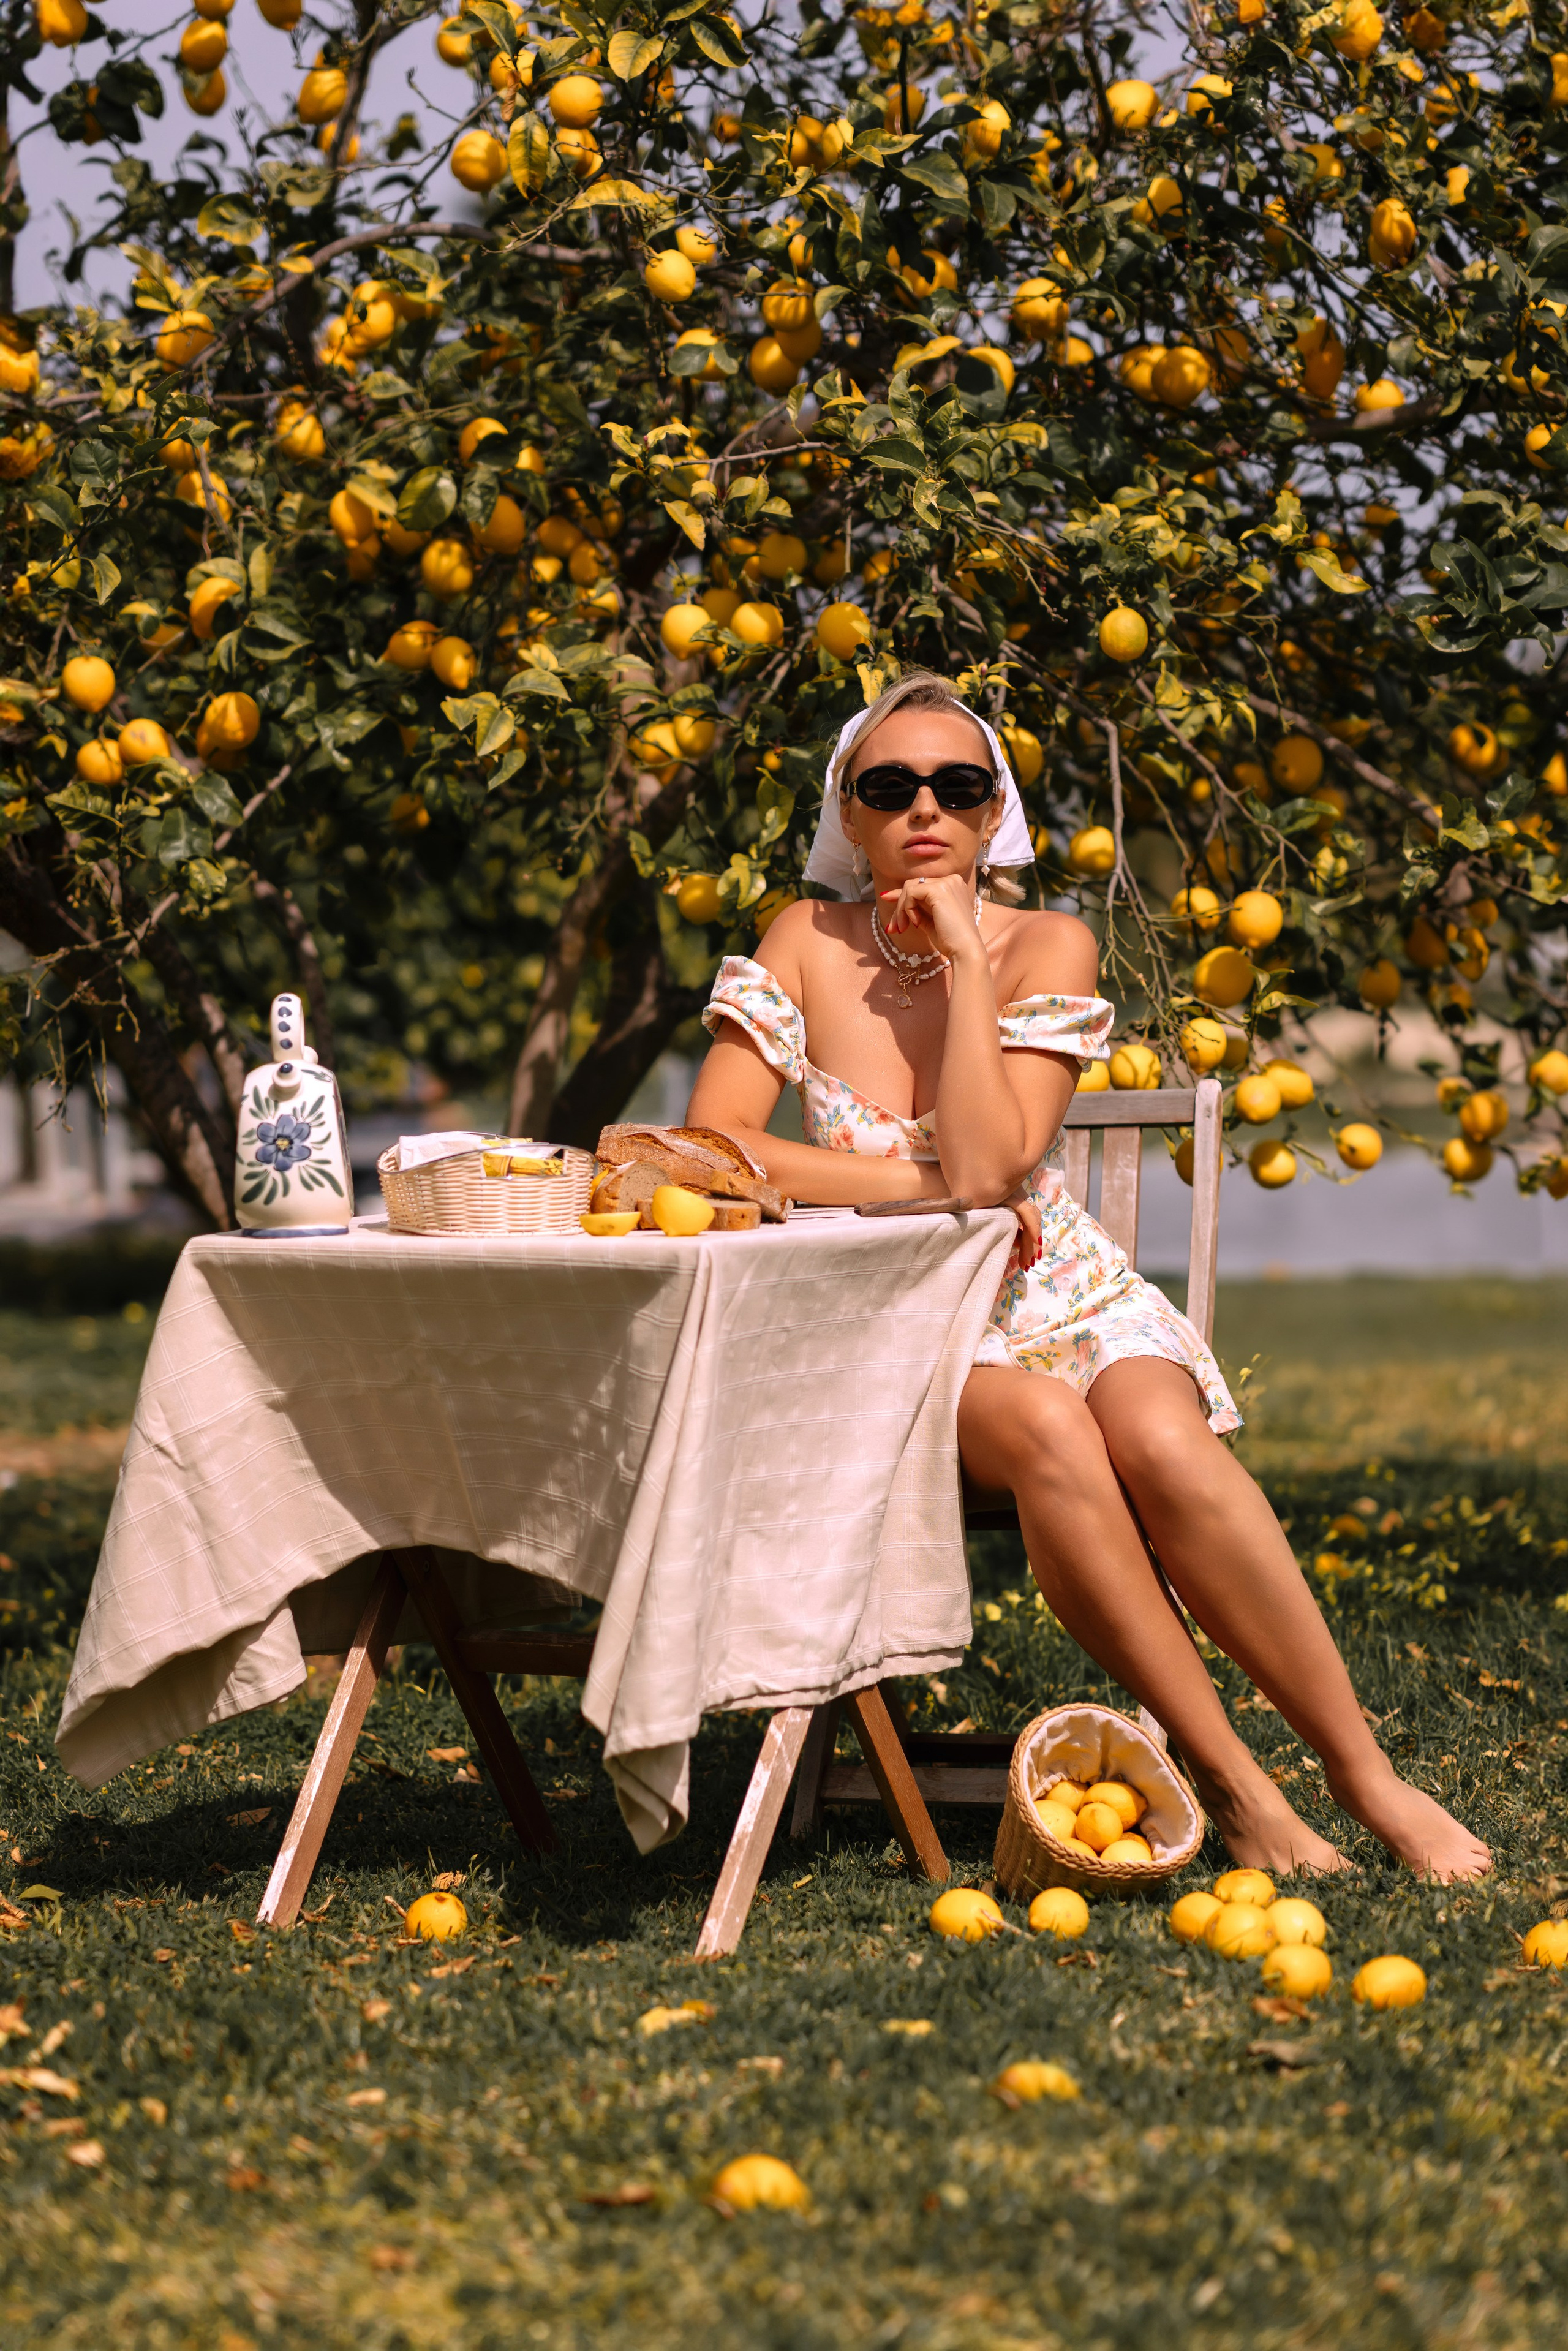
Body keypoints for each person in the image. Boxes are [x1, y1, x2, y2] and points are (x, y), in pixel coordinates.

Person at [687, 671, 1489, 1884]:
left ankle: (1361, 1773)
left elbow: (1002, 1156)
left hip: (1056, 1286)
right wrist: (936, 1191)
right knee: (1053, 1433)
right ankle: (1234, 1782)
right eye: (887, 785)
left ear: (992, 813)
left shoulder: (1047, 939)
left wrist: (963, 958)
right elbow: (719, 1148)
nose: (923, 810)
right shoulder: (802, 940)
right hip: (897, 1328)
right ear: (844, 815)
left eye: (958, 786)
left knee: (1163, 1446)